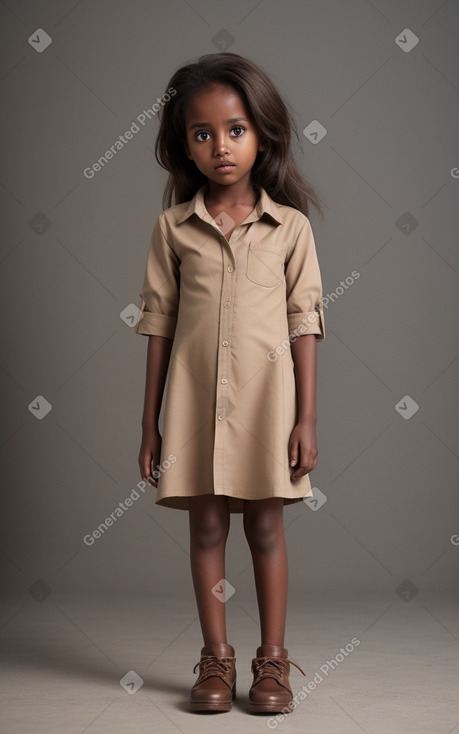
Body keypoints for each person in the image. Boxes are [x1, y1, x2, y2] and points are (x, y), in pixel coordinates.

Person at [135, 52, 326, 715]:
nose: (220, 146)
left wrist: (305, 418)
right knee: (207, 529)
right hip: (192, 409)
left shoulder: (289, 229)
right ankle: (214, 659)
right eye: (202, 132)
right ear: (182, 145)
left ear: (263, 133)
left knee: (267, 530)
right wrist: (149, 423)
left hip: (267, 408)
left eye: (236, 129)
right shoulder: (171, 231)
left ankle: (271, 662)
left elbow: (305, 323)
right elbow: (157, 324)